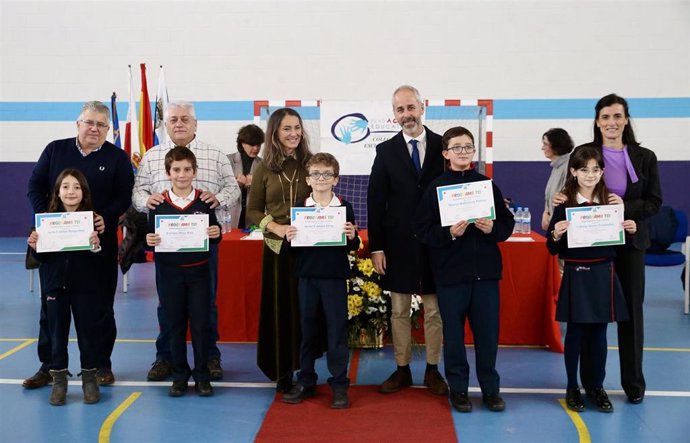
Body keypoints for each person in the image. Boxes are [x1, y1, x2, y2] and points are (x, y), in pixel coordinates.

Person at [554, 94, 661, 404]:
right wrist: (560, 201)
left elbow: (654, 202)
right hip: (590, 248)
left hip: (629, 243)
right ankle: (588, 383)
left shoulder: (645, 157)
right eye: (605, 117)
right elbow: (569, 191)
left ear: (626, 119)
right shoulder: (584, 154)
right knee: (590, 320)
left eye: (617, 116)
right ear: (597, 122)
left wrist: (626, 208)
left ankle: (633, 382)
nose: (612, 123)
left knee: (632, 316)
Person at [26, 101, 134, 388]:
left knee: (100, 309)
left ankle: (101, 365)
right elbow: (34, 187)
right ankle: (49, 366)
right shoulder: (54, 150)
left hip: (98, 248)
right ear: (78, 124)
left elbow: (124, 196)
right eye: (90, 122)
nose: (94, 129)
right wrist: (46, 218)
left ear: (108, 129)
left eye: (101, 125)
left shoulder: (118, 157)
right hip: (54, 246)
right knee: (50, 310)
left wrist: (105, 218)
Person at [132, 101, 240, 382]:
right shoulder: (153, 156)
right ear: (165, 124)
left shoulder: (215, 154)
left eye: (184, 119)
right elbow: (138, 191)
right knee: (167, 305)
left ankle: (210, 357)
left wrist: (220, 199)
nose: (178, 124)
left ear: (195, 123)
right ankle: (166, 357)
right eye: (173, 120)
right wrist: (146, 200)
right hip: (166, 245)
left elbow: (232, 187)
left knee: (207, 305)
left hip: (204, 242)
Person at [415, 126, 514, 412]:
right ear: (446, 153)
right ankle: (458, 390)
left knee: (487, 336)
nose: (463, 152)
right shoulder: (436, 188)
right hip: (450, 276)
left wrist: (492, 228)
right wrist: (449, 234)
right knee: (455, 338)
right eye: (456, 147)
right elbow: (422, 230)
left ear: (473, 151)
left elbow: (506, 225)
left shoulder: (487, 185)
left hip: (485, 275)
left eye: (467, 147)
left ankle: (491, 391)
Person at [367, 85, 448, 395]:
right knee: (398, 310)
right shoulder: (385, 151)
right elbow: (376, 201)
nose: (406, 115)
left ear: (422, 107)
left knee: (434, 311)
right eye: (400, 110)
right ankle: (401, 369)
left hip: (435, 242)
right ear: (394, 115)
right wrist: (376, 246)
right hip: (397, 244)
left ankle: (432, 369)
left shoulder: (444, 146)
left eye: (410, 108)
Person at [547, 145, 635, 413]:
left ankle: (596, 386)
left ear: (602, 171)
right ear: (573, 171)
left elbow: (619, 247)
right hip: (576, 273)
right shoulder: (564, 204)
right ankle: (572, 386)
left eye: (595, 169)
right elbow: (552, 248)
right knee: (575, 333)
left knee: (598, 334)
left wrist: (629, 231)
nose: (590, 174)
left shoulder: (612, 202)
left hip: (603, 273)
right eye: (584, 169)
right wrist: (556, 235)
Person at [281, 153, 359, 409]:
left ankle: (339, 384)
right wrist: (288, 236)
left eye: (327, 174)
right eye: (316, 174)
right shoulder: (299, 206)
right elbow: (291, 249)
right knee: (307, 330)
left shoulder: (344, 207)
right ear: (308, 179)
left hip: (334, 278)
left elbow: (353, 244)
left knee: (337, 331)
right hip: (307, 277)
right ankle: (306, 380)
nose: (321, 179)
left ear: (335, 179)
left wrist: (351, 236)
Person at [145, 147, 222, 397]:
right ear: (168, 173)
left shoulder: (204, 201)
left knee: (200, 325)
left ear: (195, 171)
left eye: (187, 169)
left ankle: (201, 375)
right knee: (175, 325)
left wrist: (216, 233)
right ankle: (180, 375)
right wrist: (150, 239)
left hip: (199, 273)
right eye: (176, 170)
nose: (182, 174)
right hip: (169, 274)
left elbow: (215, 232)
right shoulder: (158, 204)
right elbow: (148, 239)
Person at [246, 108, 313, 392]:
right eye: (287, 128)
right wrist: (276, 228)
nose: (293, 133)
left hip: (308, 246)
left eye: (297, 127)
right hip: (276, 248)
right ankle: (282, 371)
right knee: (280, 310)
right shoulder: (261, 167)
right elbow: (252, 211)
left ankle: (307, 368)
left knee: (306, 310)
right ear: (274, 132)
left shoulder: (310, 163)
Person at [27, 169, 103, 405]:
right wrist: (34, 245)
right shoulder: (46, 220)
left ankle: (90, 379)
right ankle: (59, 380)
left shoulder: (93, 221)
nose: (71, 191)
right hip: (54, 287)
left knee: (88, 334)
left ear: (84, 192)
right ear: (58, 192)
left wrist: (95, 246)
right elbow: (39, 260)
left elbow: (101, 259)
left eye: (77, 187)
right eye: (66, 187)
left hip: (85, 287)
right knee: (57, 336)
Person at [228, 124, 264, 229]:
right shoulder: (227, 160)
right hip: (231, 217)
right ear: (242, 143)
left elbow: (269, 191)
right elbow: (218, 189)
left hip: (253, 218)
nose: (256, 148)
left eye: (258, 145)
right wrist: (235, 183)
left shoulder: (263, 164)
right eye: (252, 145)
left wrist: (256, 184)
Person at [541, 128, 574, 231]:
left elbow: (565, 199)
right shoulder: (556, 167)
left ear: (556, 146)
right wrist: (546, 212)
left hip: (563, 227)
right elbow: (550, 196)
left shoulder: (568, 167)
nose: (542, 148)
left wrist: (552, 219)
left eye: (545, 144)